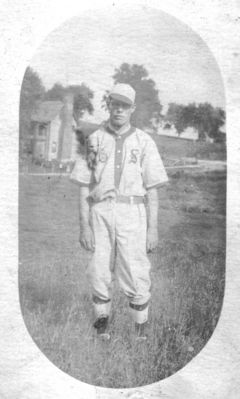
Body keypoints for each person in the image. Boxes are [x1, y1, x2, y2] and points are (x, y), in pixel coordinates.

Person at [70, 83, 168, 340]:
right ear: (109, 105)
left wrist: (153, 229)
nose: (119, 109)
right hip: (101, 210)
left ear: (132, 109)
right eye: (115, 103)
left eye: (125, 105)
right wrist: (84, 226)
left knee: (136, 271)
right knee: (98, 269)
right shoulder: (94, 140)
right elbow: (83, 187)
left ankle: (140, 335)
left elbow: (153, 190)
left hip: (133, 211)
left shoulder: (144, 141)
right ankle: (102, 331)